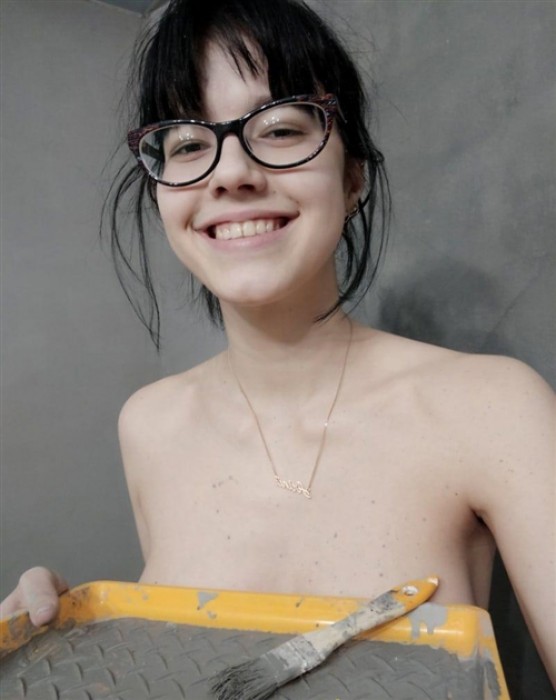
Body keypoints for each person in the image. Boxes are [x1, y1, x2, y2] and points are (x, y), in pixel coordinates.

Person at [1, 0, 554, 687]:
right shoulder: (148, 424)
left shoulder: (493, 407)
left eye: (282, 128)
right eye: (187, 143)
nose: (229, 173)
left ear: (352, 177)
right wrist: (75, 643)